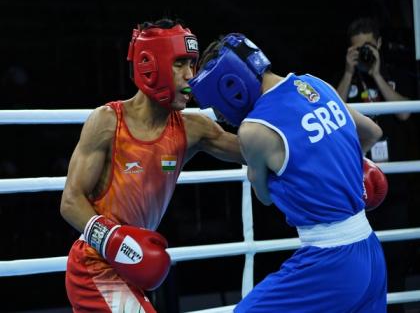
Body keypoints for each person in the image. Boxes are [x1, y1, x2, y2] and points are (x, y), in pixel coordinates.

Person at [189, 33, 387, 312]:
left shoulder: (254, 129)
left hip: (330, 262)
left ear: (229, 85)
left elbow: (266, 198)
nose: (222, 116)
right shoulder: (314, 84)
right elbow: (372, 132)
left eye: (219, 107)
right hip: (370, 250)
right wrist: (345, 171)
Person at [60, 18, 243, 313]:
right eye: (180, 63)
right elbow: (70, 202)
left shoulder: (192, 129)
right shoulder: (108, 122)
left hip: (133, 266)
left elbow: (252, 151)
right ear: (152, 64)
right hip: (94, 265)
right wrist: (116, 242)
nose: (190, 76)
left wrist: (260, 101)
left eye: (192, 64)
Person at [336, 17, 414, 312]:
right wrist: (347, 71)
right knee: (362, 263)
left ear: (379, 44)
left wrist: (378, 74)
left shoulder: (394, 75)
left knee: (395, 259)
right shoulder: (348, 79)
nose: (365, 53)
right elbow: (333, 109)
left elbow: (405, 114)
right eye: (358, 49)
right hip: (359, 191)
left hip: (396, 189)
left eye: (369, 46)